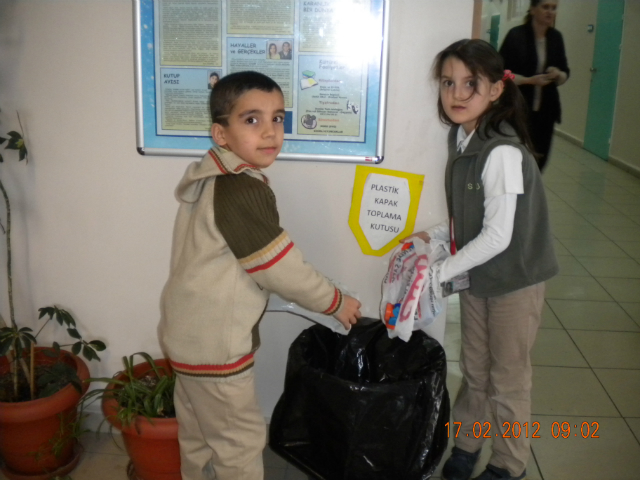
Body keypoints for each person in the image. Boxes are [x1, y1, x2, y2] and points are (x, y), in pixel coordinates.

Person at [158, 71, 362, 480]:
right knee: (239, 445)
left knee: (197, 437)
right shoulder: (241, 189)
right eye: (252, 120)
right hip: (216, 348)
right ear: (221, 133)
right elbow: (278, 268)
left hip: (187, 339)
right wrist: (336, 302)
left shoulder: (210, 179)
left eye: (278, 118)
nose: (270, 132)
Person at [404, 40, 558, 480]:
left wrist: (439, 274)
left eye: (470, 84)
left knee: (508, 378)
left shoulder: (502, 151)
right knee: (474, 368)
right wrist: (434, 235)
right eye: (448, 83)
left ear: (495, 90)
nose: (456, 94)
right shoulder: (462, 138)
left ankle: (509, 464)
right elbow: (469, 220)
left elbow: (498, 234)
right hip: (478, 277)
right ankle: (467, 444)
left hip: (515, 280)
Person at [499, 0, 569, 171]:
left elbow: (565, 72)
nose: (550, 12)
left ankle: (530, 193)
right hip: (519, 109)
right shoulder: (516, 36)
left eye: (554, 8)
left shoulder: (555, 38)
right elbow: (502, 73)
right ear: (532, 9)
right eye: (545, 7)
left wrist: (557, 74)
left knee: (540, 159)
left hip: (546, 112)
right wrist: (528, 80)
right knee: (518, 158)